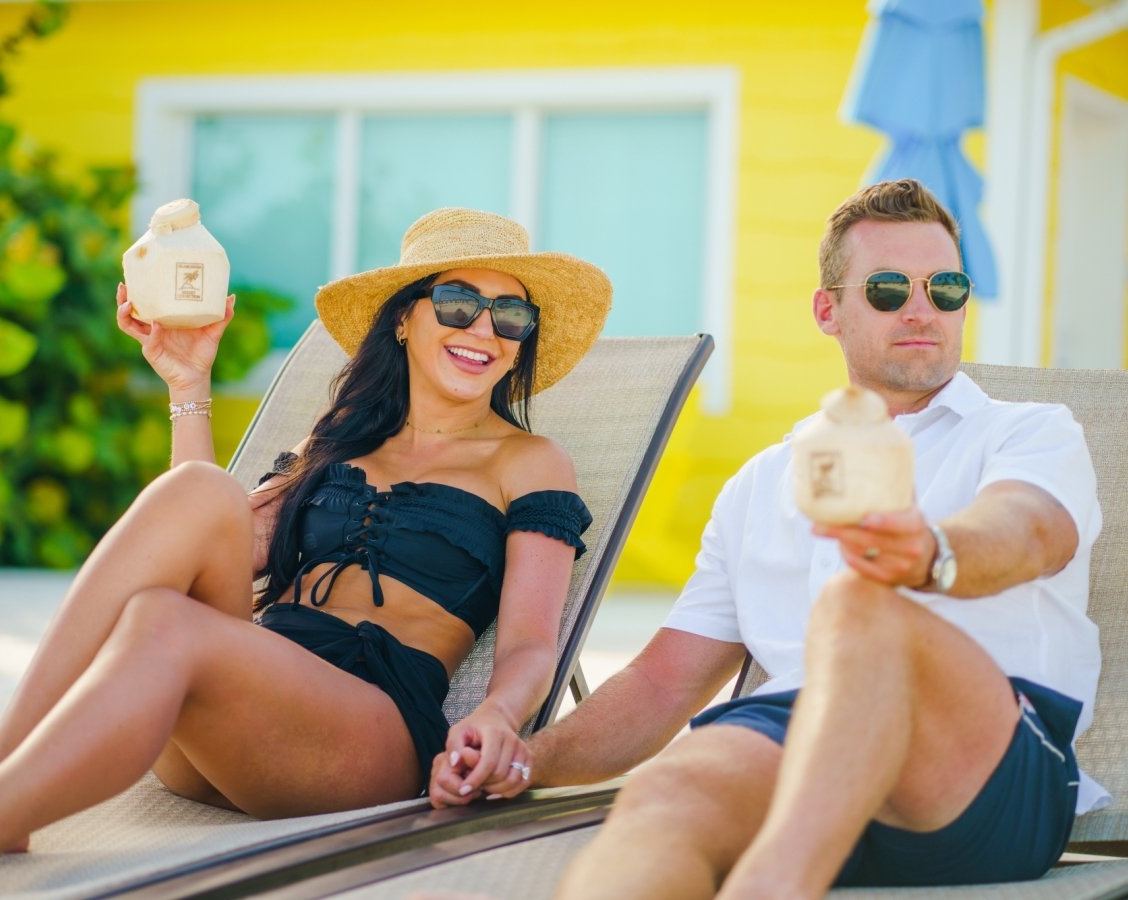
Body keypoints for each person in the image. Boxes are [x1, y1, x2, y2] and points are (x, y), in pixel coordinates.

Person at [0, 207, 611, 899]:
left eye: (509, 315)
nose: (483, 331)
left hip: (362, 739)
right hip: (233, 721)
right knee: (201, 495)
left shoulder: (529, 463)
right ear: (405, 321)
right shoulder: (338, 440)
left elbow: (531, 644)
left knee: (162, 621)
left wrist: (503, 719)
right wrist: (190, 380)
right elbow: (204, 537)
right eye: (457, 305)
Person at [435, 180, 1105, 897]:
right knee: (662, 801)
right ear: (828, 309)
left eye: (946, 287)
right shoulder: (761, 482)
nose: (922, 308)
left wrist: (934, 553)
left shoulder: (1028, 430)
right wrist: (528, 760)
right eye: (887, 288)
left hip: (983, 771)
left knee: (862, 605)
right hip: (795, 736)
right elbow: (663, 683)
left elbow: (1029, 528)